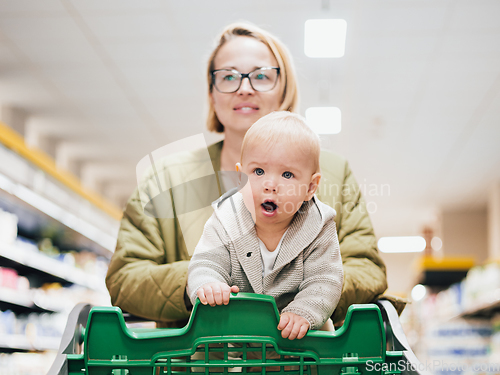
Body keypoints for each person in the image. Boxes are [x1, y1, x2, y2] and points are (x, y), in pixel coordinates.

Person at [105, 22, 391, 329]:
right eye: (228, 76)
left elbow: (368, 270)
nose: (244, 87)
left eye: (261, 76)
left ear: (285, 89)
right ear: (212, 94)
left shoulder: (333, 173)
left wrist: (307, 295)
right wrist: (203, 281)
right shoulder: (165, 179)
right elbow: (124, 278)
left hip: (301, 359)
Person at [188, 112, 343, 340]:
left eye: (287, 174)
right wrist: (209, 284)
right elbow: (206, 262)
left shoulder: (319, 226)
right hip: (236, 339)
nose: (270, 185)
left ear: (311, 187)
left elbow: (325, 280)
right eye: (258, 172)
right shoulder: (225, 218)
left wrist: (303, 312)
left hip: (298, 344)